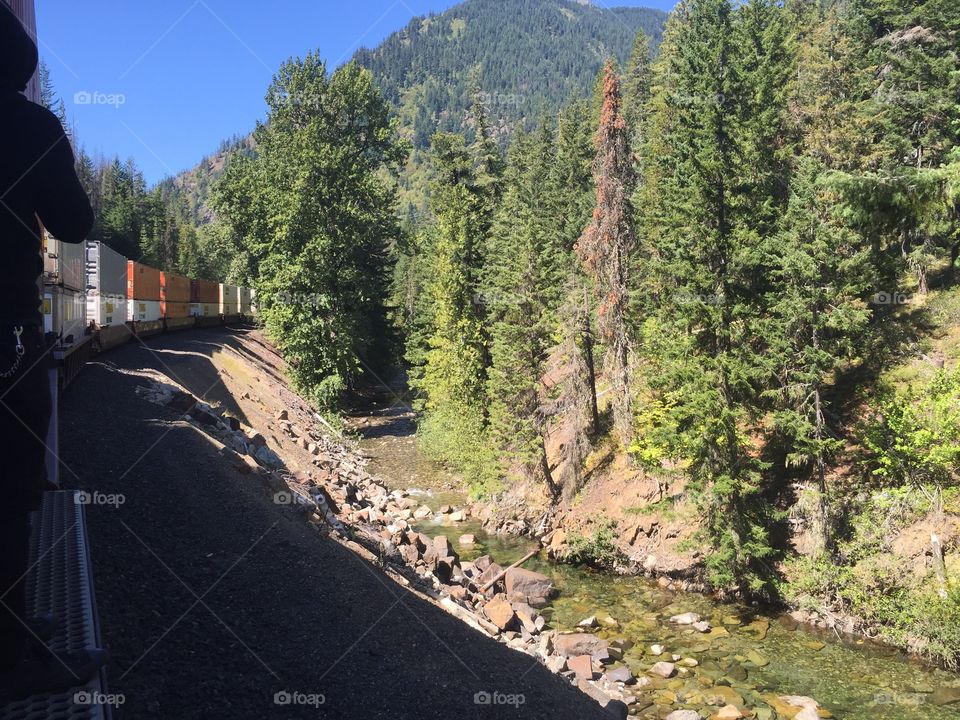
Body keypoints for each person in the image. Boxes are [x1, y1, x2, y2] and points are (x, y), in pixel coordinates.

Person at [0, 3, 106, 703]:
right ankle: (12, 660)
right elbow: (75, 222)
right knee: (8, 497)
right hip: (5, 343)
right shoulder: (26, 126)